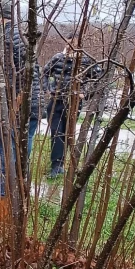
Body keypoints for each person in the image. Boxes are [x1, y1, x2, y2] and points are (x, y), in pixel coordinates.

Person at [0, 0, 42, 210]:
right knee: (18, 161)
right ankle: (18, 210)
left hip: (18, 111)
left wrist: (7, 115)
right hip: (28, 110)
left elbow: (26, 80)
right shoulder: (14, 38)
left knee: (3, 161)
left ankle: (1, 214)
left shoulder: (6, 40)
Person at [42, 32, 102, 178]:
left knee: (68, 132)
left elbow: (100, 78)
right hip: (56, 101)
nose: (70, 47)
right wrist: (48, 89)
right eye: (68, 44)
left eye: (73, 45)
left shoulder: (86, 61)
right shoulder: (58, 58)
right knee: (57, 132)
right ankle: (56, 166)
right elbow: (44, 73)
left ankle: (65, 165)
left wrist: (85, 93)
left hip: (74, 103)